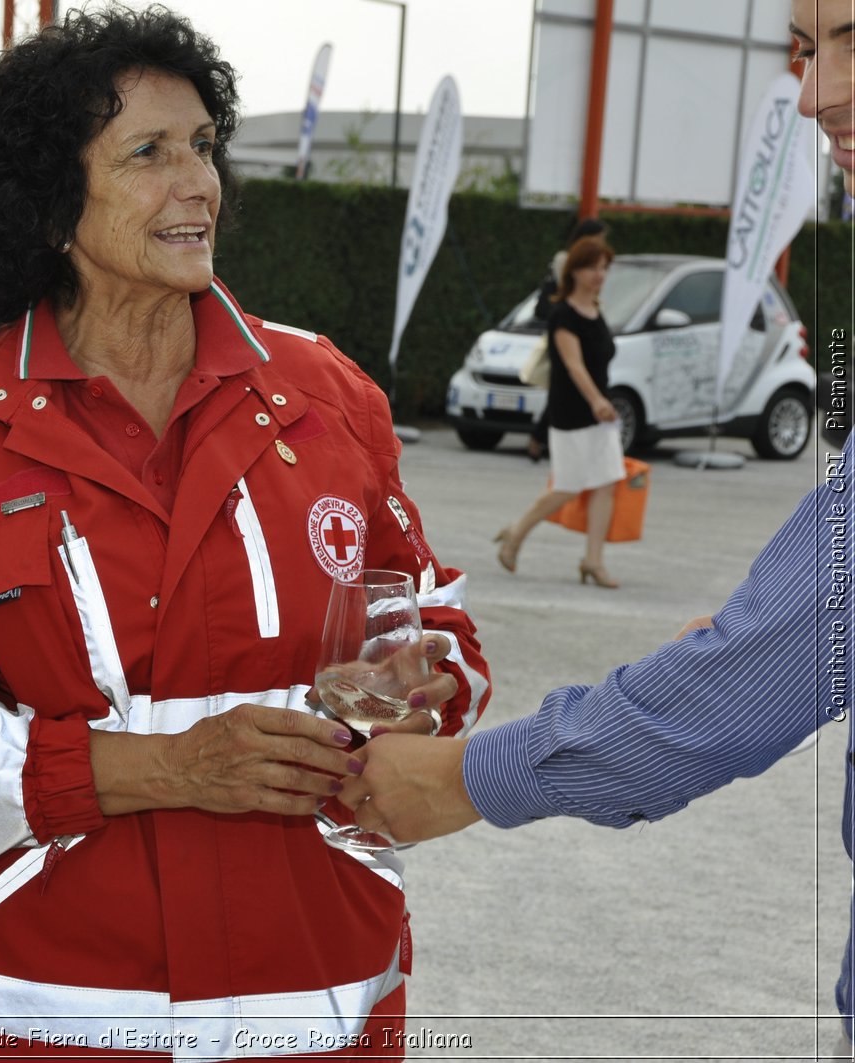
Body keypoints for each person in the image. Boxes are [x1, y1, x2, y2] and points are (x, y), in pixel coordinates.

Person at [0, 8, 490, 1058]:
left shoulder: (327, 395)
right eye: (148, 154)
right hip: (39, 1010)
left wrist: (425, 678)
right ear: (49, 203)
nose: (199, 183)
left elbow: (434, 614)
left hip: (316, 993)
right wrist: (169, 768)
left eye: (203, 147)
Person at [339, 3, 854, 1037]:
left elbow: (767, 669)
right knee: (584, 492)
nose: (812, 93)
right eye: (804, 49)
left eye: (851, 38)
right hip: (580, 418)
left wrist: (461, 777)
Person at [494, 235, 625, 587]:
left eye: (603, 268)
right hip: (572, 412)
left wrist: (603, 403)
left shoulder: (596, 311)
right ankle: (516, 534)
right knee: (567, 487)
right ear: (575, 271)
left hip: (602, 414)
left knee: (607, 483)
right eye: (592, 267)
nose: (599, 274)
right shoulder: (563, 314)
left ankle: (593, 561)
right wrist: (596, 401)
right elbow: (573, 366)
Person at [526, 218, 609, 462]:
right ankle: (538, 437)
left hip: (591, 414)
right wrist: (598, 402)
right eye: (598, 238)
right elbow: (562, 297)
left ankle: (538, 437)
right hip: (568, 333)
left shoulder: (593, 306)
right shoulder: (568, 265)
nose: (599, 274)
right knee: (563, 382)